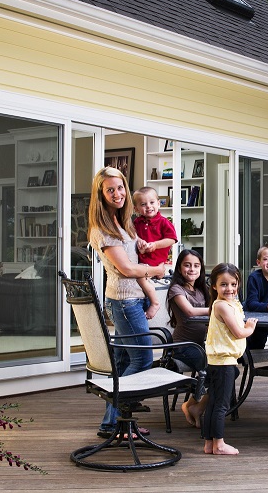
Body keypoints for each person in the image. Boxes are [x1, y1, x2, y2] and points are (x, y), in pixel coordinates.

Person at [87, 166, 166, 439]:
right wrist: (155, 270)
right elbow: (127, 269)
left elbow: (131, 256)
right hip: (125, 301)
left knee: (122, 363)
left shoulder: (121, 222)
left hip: (127, 299)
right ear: (101, 194)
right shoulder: (104, 229)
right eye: (110, 189)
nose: (117, 193)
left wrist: (141, 245)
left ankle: (113, 425)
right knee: (142, 359)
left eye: (120, 187)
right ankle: (121, 420)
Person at [203, 263, 258, 455]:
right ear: (214, 286)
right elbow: (238, 332)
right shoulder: (222, 306)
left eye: (234, 284)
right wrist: (250, 328)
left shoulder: (227, 304)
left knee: (213, 402)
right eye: (224, 284)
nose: (230, 289)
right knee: (221, 405)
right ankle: (219, 444)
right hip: (224, 362)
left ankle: (209, 443)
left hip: (217, 361)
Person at [166, 249, 211, 428]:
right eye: (187, 265)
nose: (192, 269)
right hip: (183, 346)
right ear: (179, 267)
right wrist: (220, 308)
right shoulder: (176, 289)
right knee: (214, 368)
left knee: (227, 367)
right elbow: (190, 312)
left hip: (202, 345)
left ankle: (194, 404)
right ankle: (197, 406)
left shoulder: (201, 289)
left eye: (196, 265)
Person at [133, 186, 177, 268]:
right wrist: (140, 241)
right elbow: (132, 235)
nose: (148, 206)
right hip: (139, 262)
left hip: (157, 263)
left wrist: (155, 245)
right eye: (143, 204)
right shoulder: (136, 222)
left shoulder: (164, 222)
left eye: (152, 202)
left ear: (159, 204)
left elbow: (172, 239)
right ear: (136, 209)